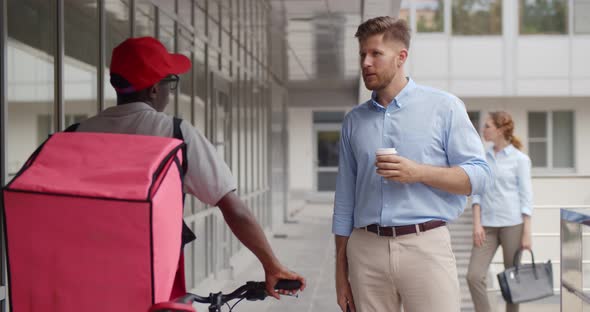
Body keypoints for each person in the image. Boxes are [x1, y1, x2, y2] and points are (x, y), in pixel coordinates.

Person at [73, 37, 305, 299]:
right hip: (152, 280)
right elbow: (233, 207)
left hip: (86, 279)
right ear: (153, 89)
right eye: (169, 83)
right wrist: (271, 264)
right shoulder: (174, 132)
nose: (170, 94)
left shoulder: (75, 134)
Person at [332, 16, 492, 312]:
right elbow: (344, 201)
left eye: (376, 54)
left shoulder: (444, 107)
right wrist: (341, 274)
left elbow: (480, 176)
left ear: (401, 57)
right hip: (365, 250)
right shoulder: (354, 121)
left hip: (426, 245)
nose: (366, 62)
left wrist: (418, 173)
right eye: (362, 54)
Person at [466, 111, 533, 312]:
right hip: (486, 226)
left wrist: (527, 233)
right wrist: (477, 223)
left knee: (513, 278)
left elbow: (526, 197)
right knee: (474, 276)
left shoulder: (520, 159)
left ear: (501, 129)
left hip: (513, 224)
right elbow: (477, 192)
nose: (483, 130)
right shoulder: (481, 157)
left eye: (487, 126)